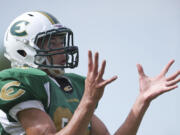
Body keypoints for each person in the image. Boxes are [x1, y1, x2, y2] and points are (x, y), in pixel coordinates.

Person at [0, 11, 179, 135]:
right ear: (23, 50)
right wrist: (88, 101)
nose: (62, 50)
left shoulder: (69, 85)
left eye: (61, 42)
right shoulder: (20, 82)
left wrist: (141, 101)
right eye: (52, 44)